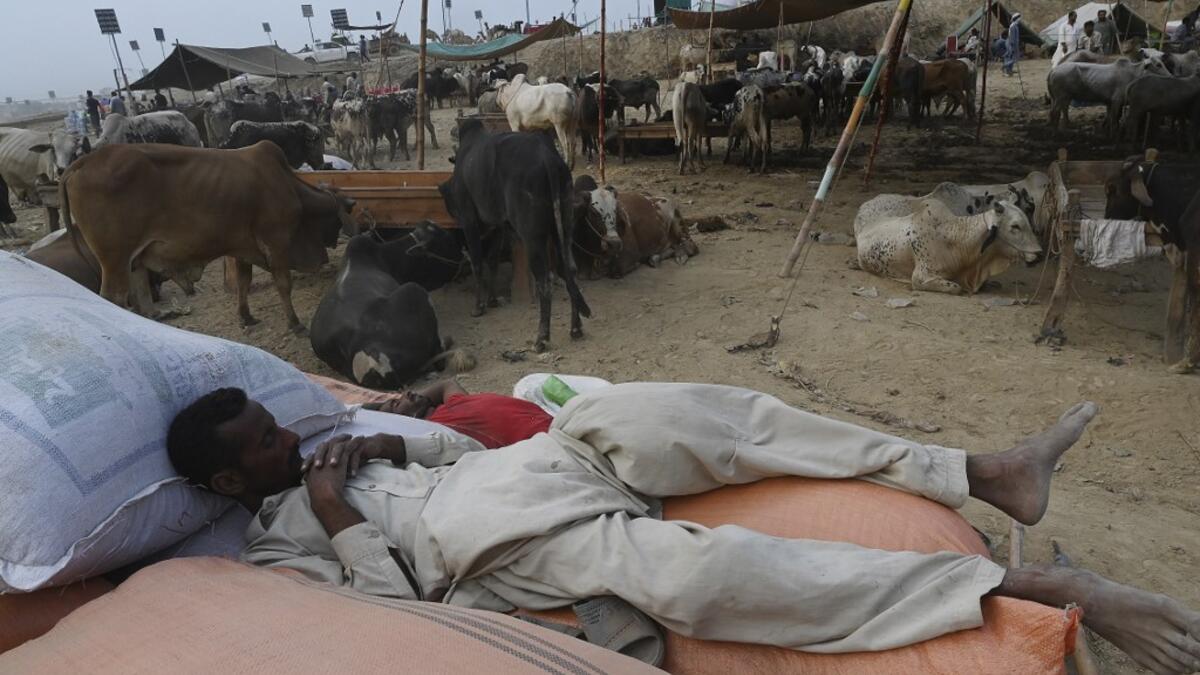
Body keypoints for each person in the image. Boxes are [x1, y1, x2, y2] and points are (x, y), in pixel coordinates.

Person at [167, 383, 1200, 673]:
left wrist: (397, 445)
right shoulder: (278, 548)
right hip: (501, 549)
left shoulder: (348, 440)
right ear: (227, 478)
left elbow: (468, 451)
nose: (288, 438)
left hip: (544, 464)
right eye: (263, 443)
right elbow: (385, 624)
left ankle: (982, 470)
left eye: (275, 418)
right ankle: (1039, 592)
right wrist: (345, 518)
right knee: (713, 582)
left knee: (679, 415)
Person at [365, 379, 551, 449]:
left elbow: (446, 382)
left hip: (557, 420)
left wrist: (412, 404)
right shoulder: (442, 431)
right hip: (550, 442)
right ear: (402, 422)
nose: (407, 394)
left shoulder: (453, 402)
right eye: (397, 403)